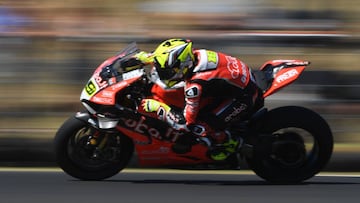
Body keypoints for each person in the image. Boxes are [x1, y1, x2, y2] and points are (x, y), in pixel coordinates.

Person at [129, 39, 264, 161]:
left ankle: (230, 142)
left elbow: (185, 123)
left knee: (198, 128)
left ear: (183, 65)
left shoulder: (195, 85)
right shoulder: (191, 56)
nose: (164, 75)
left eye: (168, 72)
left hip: (244, 98)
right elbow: (156, 57)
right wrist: (135, 59)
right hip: (235, 82)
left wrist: (157, 107)